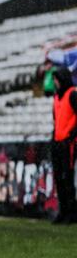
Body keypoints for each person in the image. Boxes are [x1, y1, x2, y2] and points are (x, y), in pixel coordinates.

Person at [50, 67, 77, 224]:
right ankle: (63, 210)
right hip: (57, 143)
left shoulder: (72, 94)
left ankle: (72, 213)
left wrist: (72, 135)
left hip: (69, 144)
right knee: (59, 178)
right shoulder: (56, 98)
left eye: (56, 79)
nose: (54, 82)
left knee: (68, 178)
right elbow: (56, 119)